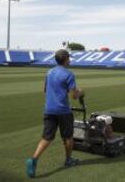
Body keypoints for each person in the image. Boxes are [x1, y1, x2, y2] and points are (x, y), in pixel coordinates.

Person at [26, 49, 84, 178]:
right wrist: (81, 92)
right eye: (69, 58)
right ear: (65, 59)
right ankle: (68, 160)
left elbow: (45, 91)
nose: (70, 60)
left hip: (49, 109)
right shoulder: (69, 74)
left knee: (47, 137)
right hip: (63, 111)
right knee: (68, 136)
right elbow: (74, 96)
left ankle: (34, 159)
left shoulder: (49, 72)